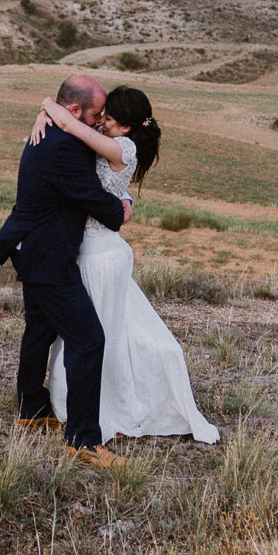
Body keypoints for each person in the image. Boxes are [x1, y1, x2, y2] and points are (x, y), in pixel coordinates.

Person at [29, 86, 219, 445]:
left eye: (109, 118)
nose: (101, 121)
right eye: (101, 117)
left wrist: (47, 106)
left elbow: (72, 127)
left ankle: (105, 403)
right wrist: (45, 116)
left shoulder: (123, 147)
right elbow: (74, 129)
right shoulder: (111, 137)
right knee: (99, 329)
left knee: (96, 332)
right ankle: (80, 399)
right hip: (91, 249)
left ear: (127, 127)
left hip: (101, 256)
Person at [0, 74, 134, 470]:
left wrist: (45, 109)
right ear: (75, 111)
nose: (99, 121)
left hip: (30, 245)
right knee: (88, 339)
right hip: (47, 255)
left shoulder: (51, 131)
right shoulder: (66, 148)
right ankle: (83, 440)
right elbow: (94, 201)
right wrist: (121, 207)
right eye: (94, 115)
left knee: (40, 329)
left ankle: (31, 409)